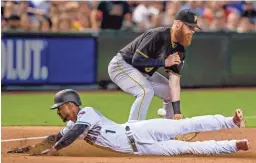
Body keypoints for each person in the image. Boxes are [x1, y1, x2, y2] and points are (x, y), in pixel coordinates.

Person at [8, 89, 249, 156]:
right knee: (188, 148)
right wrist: (30, 150)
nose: (58, 112)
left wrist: (56, 150)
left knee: (184, 126)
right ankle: (234, 145)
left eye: (59, 107)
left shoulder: (86, 114)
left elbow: (69, 137)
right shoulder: (72, 126)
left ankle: (230, 121)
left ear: (70, 105)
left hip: (138, 129)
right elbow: (57, 137)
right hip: (143, 148)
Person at [108, 9, 201, 124]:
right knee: (145, 91)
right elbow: (136, 60)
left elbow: (174, 82)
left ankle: (171, 129)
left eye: (193, 28)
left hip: (143, 72)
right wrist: (165, 62)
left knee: (169, 91)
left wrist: (177, 112)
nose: (192, 31)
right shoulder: (157, 35)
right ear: (178, 24)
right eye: (190, 27)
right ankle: (133, 130)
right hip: (121, 65)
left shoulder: (179, 50)